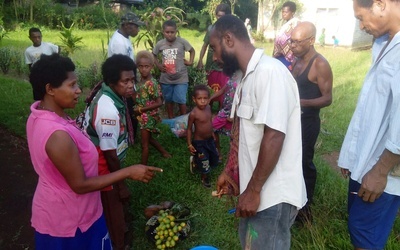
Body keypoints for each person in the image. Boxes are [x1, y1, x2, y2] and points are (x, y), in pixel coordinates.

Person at [26, 53, 162, 249]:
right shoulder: (57, 135)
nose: (79, 90)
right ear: (50, 89)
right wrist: (128, 172)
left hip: (65, 211)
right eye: (72, 85)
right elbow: (79, 185)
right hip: (71, 222)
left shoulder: (39, 115)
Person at [210, 15, 307, 249]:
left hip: (271, 197)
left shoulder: (269, 73)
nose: (214, 57)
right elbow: (244, 136)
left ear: (228, 39)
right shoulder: (247, 77)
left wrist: (253, 191)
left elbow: (275, 135)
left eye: (215, 48)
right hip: (256, 194)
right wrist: (231, 171)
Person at [338, 1, 400, 249]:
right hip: (367, 159)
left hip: (384, 166)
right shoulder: (385, 42)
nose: (361, 26)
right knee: (359, 226)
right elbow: (370, 107)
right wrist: (350, 156)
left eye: (361, 18)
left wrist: (381, 171)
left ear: (381, 4)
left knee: (365, 232)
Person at [83, 54, 156, 250]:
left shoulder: (113, 96)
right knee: (113, 203)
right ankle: (118, 241)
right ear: (112, 81)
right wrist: (121, 183)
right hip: (102, 164)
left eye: (133, 79)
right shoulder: (107, 110)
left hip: (107, 157)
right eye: (126, 81)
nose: (131, 85)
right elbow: (109, 154)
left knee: (114, 202)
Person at [289, 21, 333, 223]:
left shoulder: (320, 64)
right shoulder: (297, 60)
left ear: (311, 40)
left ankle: (305, 210)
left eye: (297, 42)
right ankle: (292, 200)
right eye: (291, 41)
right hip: (292, 120)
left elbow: (327, 98)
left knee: (304, 162)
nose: (292, 46)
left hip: (307, 122)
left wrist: (300, 103)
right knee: (290, 160)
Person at [108, 11, 144, 144]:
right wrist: (130, 89)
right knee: (128, 113)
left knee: (130, 112)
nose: (138, 30)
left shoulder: (125, 38)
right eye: (136, 26)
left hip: (127, 82)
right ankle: (129, 139)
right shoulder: (118, 43)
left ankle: (131, 137)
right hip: (122, 84)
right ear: (128, 25)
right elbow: (121, 69)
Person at [134, 50, 172, 164]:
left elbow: (160, 102)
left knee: (144, 144)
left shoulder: (152, 83)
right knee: (148, 138)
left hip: (149, 116)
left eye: (146, 66)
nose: (143, 69)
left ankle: (142, 167)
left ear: (151, 66)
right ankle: (164, 152)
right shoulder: (140, 81)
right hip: (142, 115)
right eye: (140, 66)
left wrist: (140, 110)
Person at [153, 20, 195, 119]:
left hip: (181, 78)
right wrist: (158, 65)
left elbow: (192, 50)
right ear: (163, 32)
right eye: (167, 32)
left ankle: (183, 120)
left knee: (181, 99)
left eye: (172, 32)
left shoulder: (182, 42)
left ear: (176, 31)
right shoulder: (160, 44)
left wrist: (190, 62)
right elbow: (153, 55)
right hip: (166, 78)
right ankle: (171, 119)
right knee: (168, 100)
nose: (170, 34)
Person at [196, 3, 231, 110]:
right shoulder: (211, 29)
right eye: (218, 16)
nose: (220, 18)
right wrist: (200, 60)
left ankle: (221, 113)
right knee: (210, 88)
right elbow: (205, 45)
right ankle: (208, 111)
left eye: (222, 16)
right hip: (211, 65)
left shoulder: (230, 30)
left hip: (224, 65)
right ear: (215, 15)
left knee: (224, 91)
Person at [187, 84, 219, 188]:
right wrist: (189, 144)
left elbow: (209, 122)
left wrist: (213, 133)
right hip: (199, 142)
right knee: (204, 160)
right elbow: (189, 129)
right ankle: (204, 177)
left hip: (209, 140)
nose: (203, 101)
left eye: (205, 98)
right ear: (194, 99)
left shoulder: (209, 108)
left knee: (213, 157)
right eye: (199, 98)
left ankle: (196, 161)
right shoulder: (193, 114)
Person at [210, 74, 238, 162]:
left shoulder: (244, 78)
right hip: (225, 111)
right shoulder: (232, 76)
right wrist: (210, 99)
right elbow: (222, 90)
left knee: (234, 137)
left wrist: (235, 116)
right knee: (211, 128)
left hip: (235, 114)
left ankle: (233, 160)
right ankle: (218, 153)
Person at [272, 1, 301, 69]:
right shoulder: (285, 25)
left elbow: (298, 41)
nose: (283, 14)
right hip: (279, 57)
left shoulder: (296, 23)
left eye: (286, 12)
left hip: (289, 59)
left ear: (293, 12)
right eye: (282, 12)